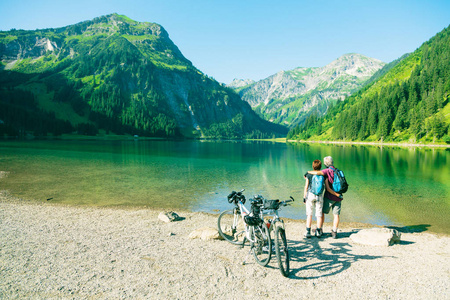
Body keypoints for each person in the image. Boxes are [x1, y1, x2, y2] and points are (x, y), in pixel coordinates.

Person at [308, 156, 343, 239]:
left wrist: (308, 172)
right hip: (339, 197)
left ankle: (320, 229)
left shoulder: (327, 171)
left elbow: (317, 173)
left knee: (322, 212)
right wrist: (338, 195)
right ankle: (334, 231)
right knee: (336, 215)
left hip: (330, 196)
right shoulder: (338, 171)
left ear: (325, 164)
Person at [303, 159, 324, 238]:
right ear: (320, 166)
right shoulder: (323, 175)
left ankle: (308, 231)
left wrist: (304, 197)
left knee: (309, 214)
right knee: (319, 214)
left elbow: (306, 187)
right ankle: (318, 231)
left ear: (313, 166)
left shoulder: (309, 175)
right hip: (319, 196)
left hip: (310, 195)